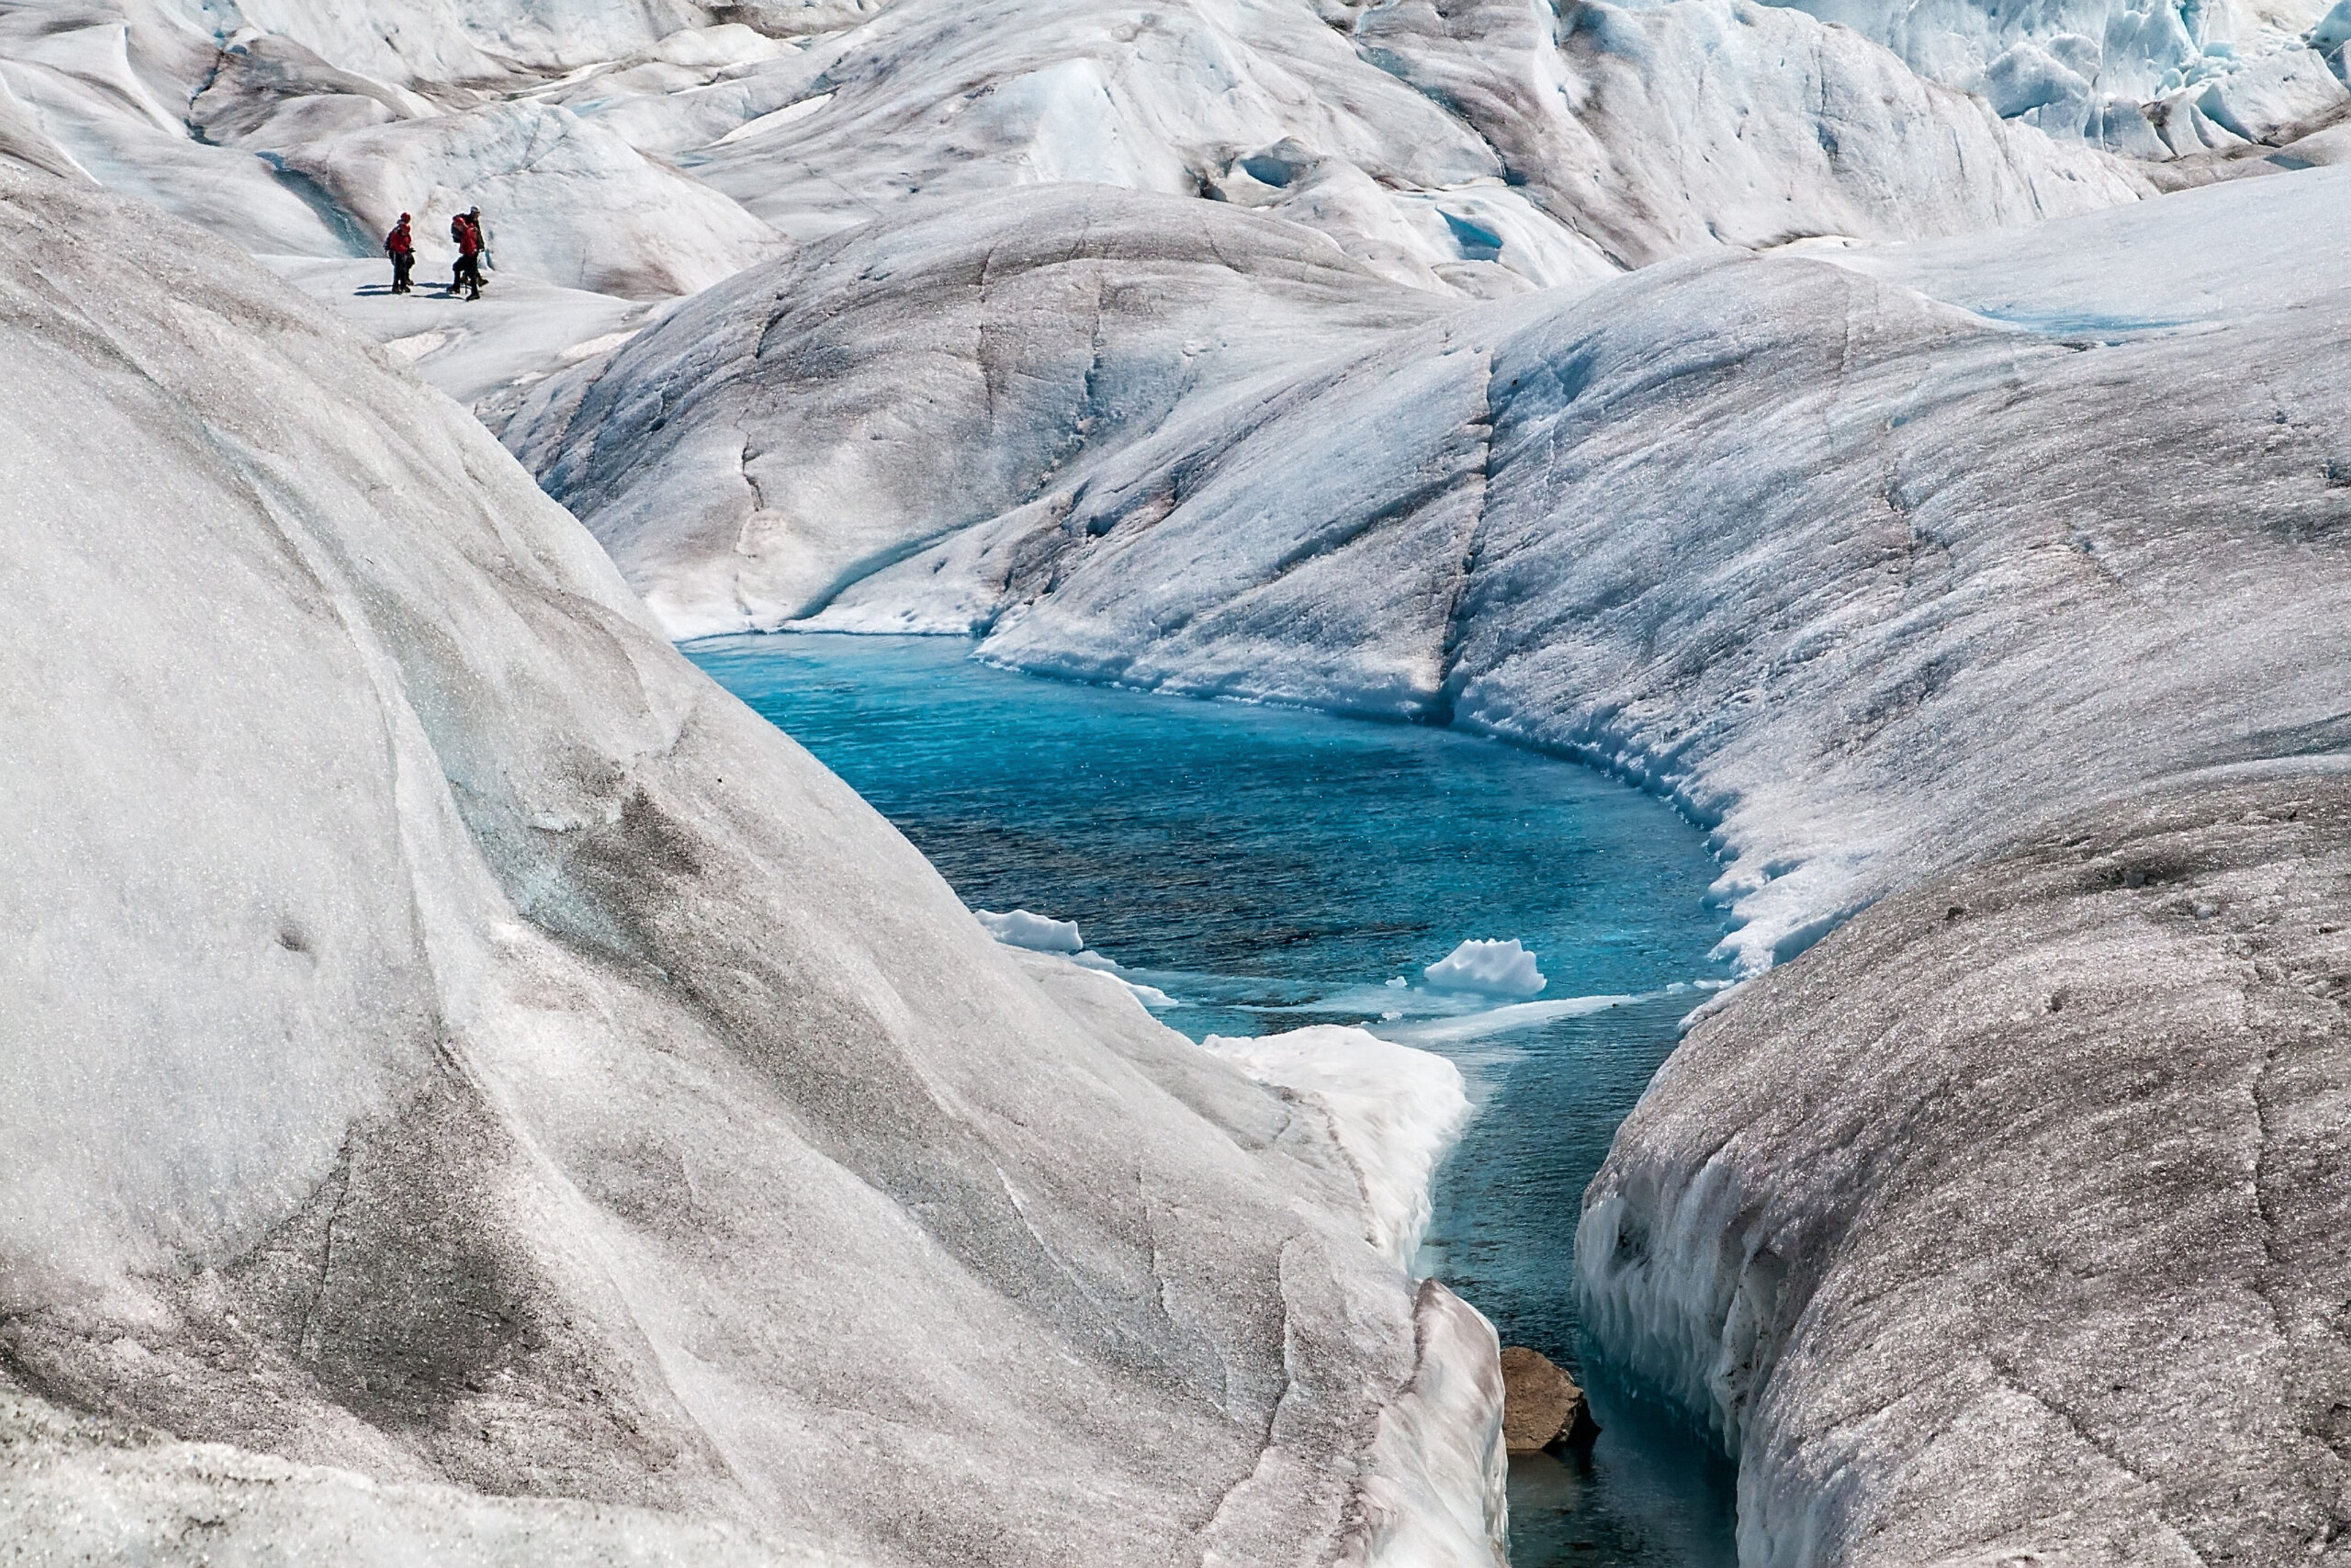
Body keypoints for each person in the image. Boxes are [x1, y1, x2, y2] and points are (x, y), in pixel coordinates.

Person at [448, 208, 483, 301]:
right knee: (458, 267)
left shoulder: (467, 233)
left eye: (457, 227)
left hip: (470, 256)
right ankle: (457, 286)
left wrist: (469, 254)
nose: (457, 229)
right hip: (469, 255)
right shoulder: (469, 230)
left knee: (471, 274)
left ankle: (474, 293)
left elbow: (471, 245)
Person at [384, 212, 414, 294]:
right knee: (399, 270)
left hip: (403, 253)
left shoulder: (404, 231)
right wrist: (406, 250)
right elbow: (397, 245)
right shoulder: (397, 232)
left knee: (405, 267)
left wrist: (408, 249)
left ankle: (404, 285)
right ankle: (396, 286)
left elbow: (407, 241)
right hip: (396, 253)